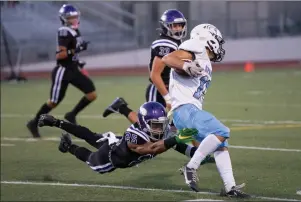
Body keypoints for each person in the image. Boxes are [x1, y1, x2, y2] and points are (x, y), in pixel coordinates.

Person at [161, 23, 250, 198]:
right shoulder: (197, 46)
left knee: (221, 145)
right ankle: (191, 167)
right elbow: (168, 58)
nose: (220, 45)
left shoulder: (205, 59)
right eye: (218, 40)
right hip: (185, 110)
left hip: (189, 111)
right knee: (222, 131)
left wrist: (188, 67)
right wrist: (186, 66)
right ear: (209, 37)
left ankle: (230, 187)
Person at [38, 102, 199, 174]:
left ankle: (56, 122)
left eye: (161, 124)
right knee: (92, 160)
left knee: (90, 135)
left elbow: (179, 130)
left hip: (116, 141)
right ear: (144, 123)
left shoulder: (153, 127)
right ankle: (69, 147)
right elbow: (153, 148)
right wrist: (178, 137)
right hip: (112, 157)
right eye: (156, 125)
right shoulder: (134, 138)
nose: (160, 129)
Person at [26, 4, 97, 138]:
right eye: (71, 17)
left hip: (73, 69)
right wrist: (75, 50)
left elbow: (73, 53)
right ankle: (34, 123)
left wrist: (78, 60)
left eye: (75, 16)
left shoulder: (75, 31)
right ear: (64, 19)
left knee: (91, 94)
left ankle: (71, 114)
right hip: (63, 71)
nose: (74, 19)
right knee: (53, 101)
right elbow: (60, 55)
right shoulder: (64, 31)